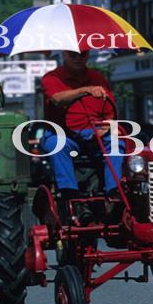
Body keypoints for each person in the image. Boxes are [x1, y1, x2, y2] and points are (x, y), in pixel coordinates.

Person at [39, 49, 124, 225]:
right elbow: (57, 99)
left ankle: (115, 195)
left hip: (95, 132)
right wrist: (84, 90)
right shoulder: (52, 78)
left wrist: (107, 126)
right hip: (64, 132)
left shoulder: (97, 77)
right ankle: (73, 198)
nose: (78, 58)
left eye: (83, 55)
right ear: (63, 55)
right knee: (57, 144)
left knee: (117, 141)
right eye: (73, 55)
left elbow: (110, 110)